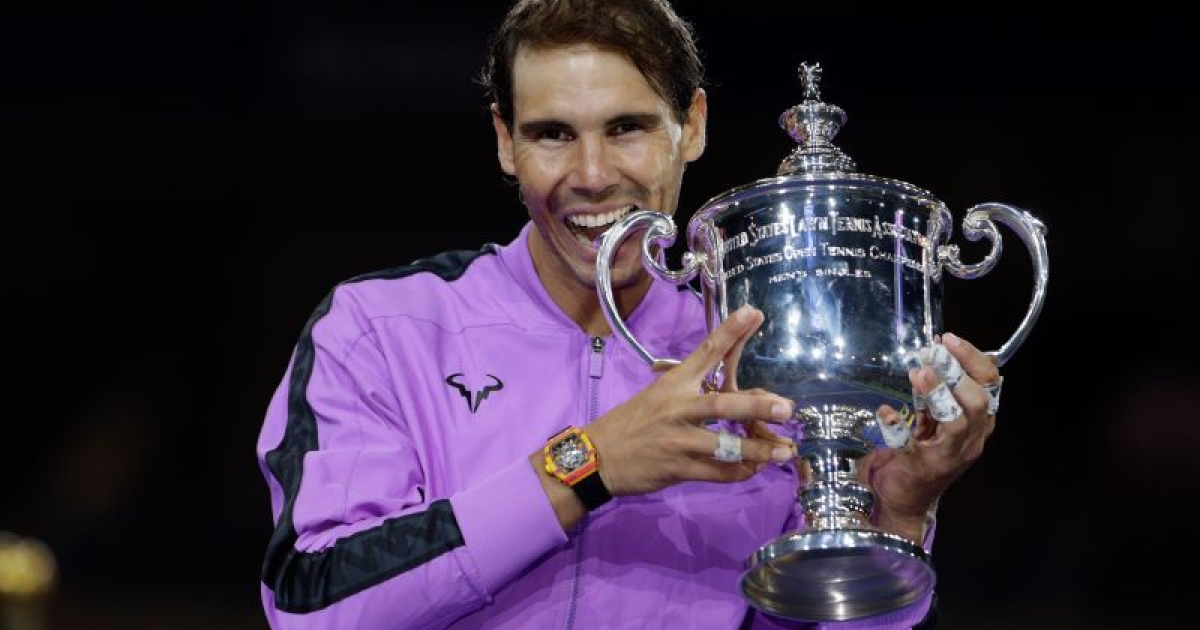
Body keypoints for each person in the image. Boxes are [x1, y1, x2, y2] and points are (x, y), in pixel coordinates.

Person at [254, 0, 1002, 628]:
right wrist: (589, 465)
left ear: (692, 126)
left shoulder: (764, 356)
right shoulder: (379, 329)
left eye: (627, 128)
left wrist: (899, 517)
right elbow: (313, 605)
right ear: (505, 142)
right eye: (553, 134)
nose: (591, 176)